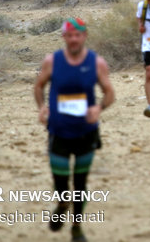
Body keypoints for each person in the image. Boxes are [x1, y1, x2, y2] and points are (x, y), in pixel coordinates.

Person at [34, 17, 115, 242]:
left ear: (84, 36)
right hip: (58, 130)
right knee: (61, 182)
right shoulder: (52, 61)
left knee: (80, 183)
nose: (73, 40)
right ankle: (61, 204)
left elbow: (109, 93)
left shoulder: (97, 63)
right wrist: (41, 108)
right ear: (64, 38)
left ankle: (77, 228)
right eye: (69, 35)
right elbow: (39, 86)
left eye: (77, 35)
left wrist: (99, 108)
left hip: (86, 131)